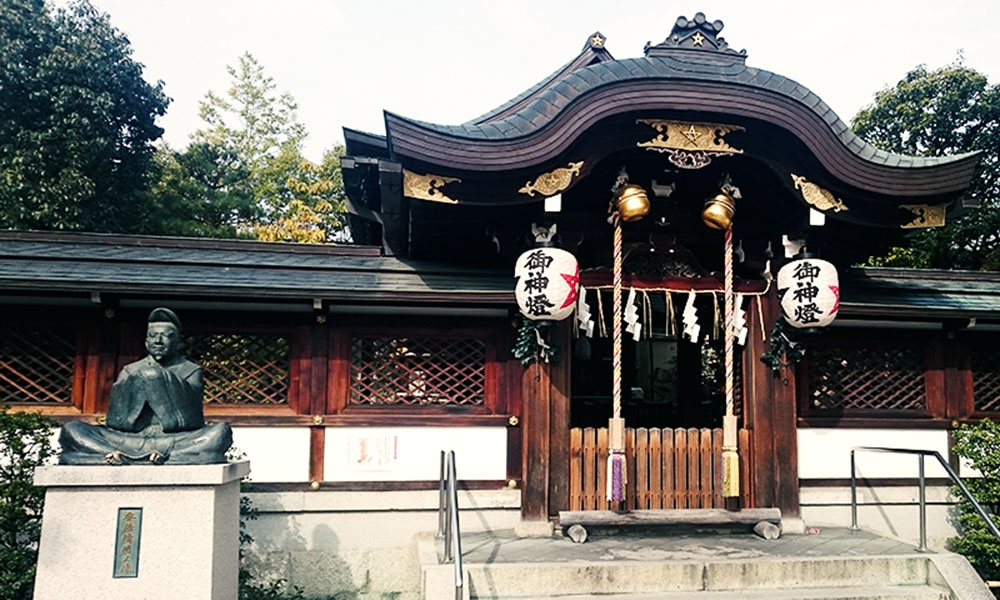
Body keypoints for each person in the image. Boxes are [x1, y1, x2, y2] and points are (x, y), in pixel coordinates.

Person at [59, 308, 232, 465]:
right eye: (153, 335)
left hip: (175, 439)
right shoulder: (131, 370)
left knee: (220, 433)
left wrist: (157, 379)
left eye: (166, 336)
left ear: (178, 341)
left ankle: (110, 457)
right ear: (146, 341)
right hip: (126, 439)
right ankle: (133, 456)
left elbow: (190, 419)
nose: (158, 341)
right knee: (73, 429)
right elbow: (117, 421)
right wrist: (138, 382)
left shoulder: (190, 370)